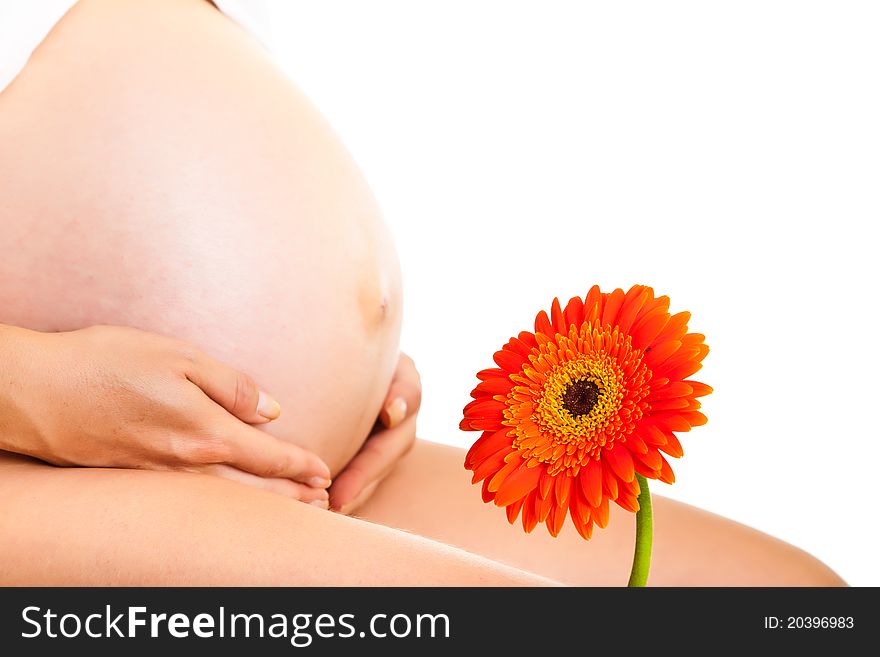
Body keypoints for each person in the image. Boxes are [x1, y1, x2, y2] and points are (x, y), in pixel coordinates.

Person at [0, 0, 844, 586]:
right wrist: (35, 387)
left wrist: (344, 357)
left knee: (794, 604)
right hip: (39, 472)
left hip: (316, 465)